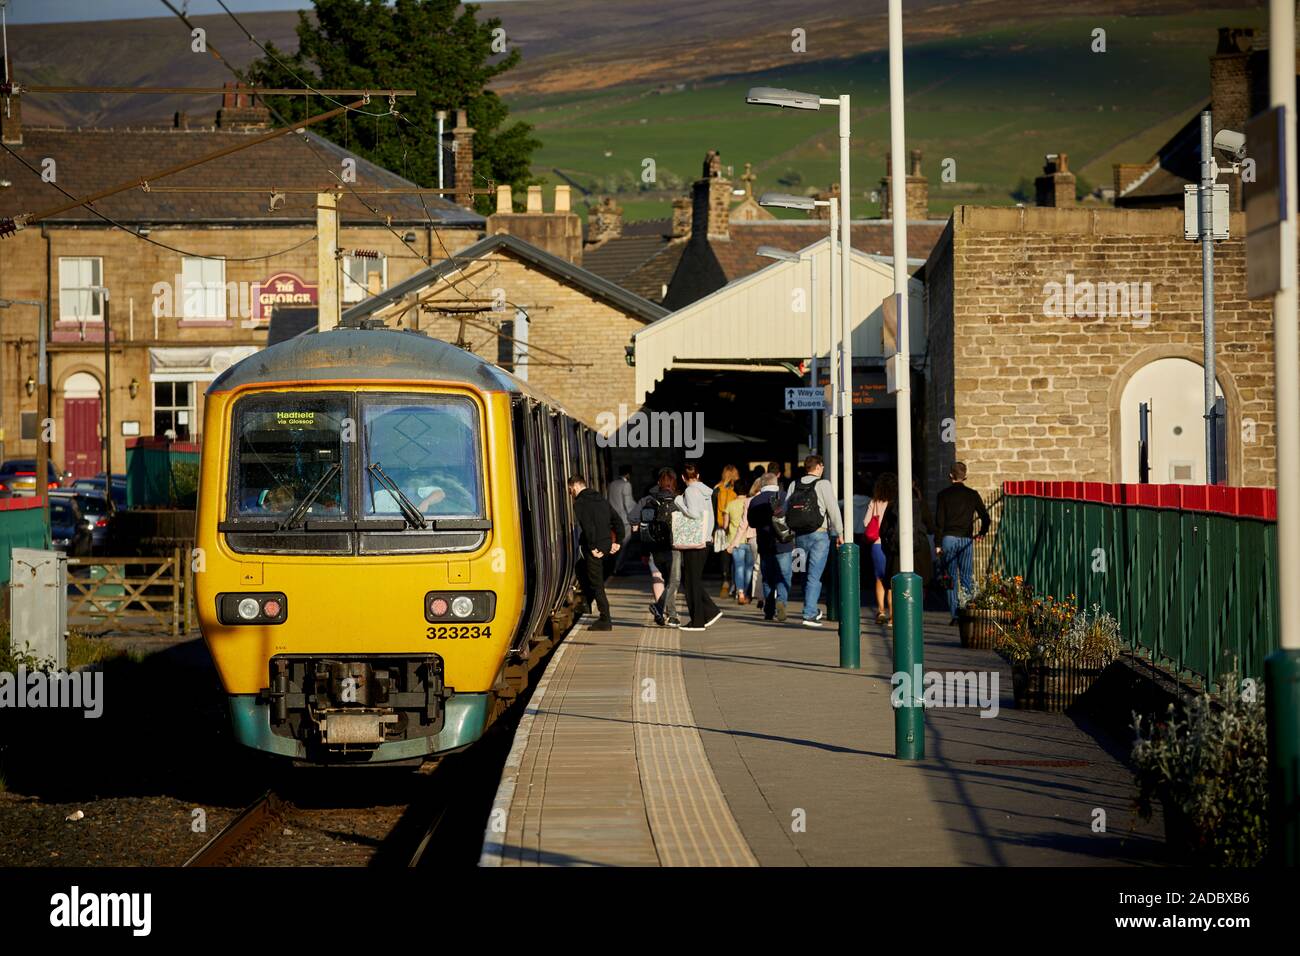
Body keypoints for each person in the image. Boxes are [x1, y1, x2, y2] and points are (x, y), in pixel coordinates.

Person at [784, 454, 843, 628]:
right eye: (822, 467)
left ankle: (810, 608)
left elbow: (786, 509)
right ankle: (809, 614)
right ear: (818, 467)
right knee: (814, 576)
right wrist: (839, 532)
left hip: (799, 537)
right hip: (819, 536)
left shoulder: (794, 484)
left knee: (802, 572)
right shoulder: (823, 484)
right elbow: (833, 509)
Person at [934, 461, 991, 625]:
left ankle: (955, 615)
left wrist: (938, 544)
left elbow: (940, 522)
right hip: (966, 539)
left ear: (950, 475)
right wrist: (981, 533)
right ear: (965, 476)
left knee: (950, 578)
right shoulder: (972, 495)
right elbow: (985, 518)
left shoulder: (943, 495)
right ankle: (968, 610)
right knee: (966, 576)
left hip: (949, 539)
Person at [568, 474, 625, 632]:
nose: (570, 493)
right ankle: (588, 601)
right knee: (580, 568)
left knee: (597, 584)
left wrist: (593, 547)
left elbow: (588, 527)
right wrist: (617, 542)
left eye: (570, 490)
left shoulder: (580, 503)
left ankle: (605, 619)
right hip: (607, 545)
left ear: (575, 486)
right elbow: (618, 521)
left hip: (595, 548)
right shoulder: (600, 499)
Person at [674, 463, 723, 632]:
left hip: (694, 541)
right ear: (698, 475)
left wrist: (679, 502)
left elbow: (694, 513)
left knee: (690, 581)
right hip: (705, 539)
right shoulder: (706, 491)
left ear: (682, 477)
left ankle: (698, 620)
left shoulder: (690, 491)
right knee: (692, 580)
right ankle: (708, 612)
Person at [635, 467, 681, 627]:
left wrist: (645, 552)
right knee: (674, 582)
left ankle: (669, 613)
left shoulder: (650, 502)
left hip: (656, 549)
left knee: (669, 581)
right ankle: (663, 609)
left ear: (659, 483)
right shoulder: (679, 501)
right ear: (674, 483)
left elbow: (644, 529)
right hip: (674, 548)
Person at [747, 472, 795, 622]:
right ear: (776, 482)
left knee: (768, 578)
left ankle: (769, 609)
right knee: (784, 575)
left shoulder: (755, 501)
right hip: (784, 543)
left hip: (764, 543)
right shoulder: (785, 496)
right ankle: (782, 601)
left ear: (762, 484)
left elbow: (752, 523)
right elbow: (793, 518)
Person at [880, 476, 934, 591]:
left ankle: (894, 609)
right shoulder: (921, 504)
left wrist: (888, 548)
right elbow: (931, 527)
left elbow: (883, 530)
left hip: (897, 550)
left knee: (896, 587)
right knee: (920, 585)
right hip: (920, 549)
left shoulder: (892, 505)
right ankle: (918, 608)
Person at [863, 473, 894, 625]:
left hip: (876, 543)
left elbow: (865, 522)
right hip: (890, 543)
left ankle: (881, 610)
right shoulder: (894, 502)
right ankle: (892, 615)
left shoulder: (874, 501)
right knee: (892, 579)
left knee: (880, 578)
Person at [723, 477, 755, 604]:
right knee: (749, 568)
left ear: (735, 490)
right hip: (749, 538)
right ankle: (746, 592)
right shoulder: (751, 503)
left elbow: (725, 525)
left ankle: (740, 592)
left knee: (738, 567)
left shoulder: (730, 504)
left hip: (735, 540)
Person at [712, 465, 741, 597]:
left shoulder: (716, 489)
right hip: (735, 527)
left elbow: (711, 510)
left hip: (720, 526)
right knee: (737, 556)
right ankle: (737, 584)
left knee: (724, 554)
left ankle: (725, 580)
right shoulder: (737, 491)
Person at [606, 466, 638, 574]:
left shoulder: (612, 484)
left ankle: (612, 567)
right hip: (624, 520)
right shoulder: (626, 485)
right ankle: (617, 568)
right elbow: (628, 504)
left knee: (614, 544)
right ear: (628, 474)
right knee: (624, 545)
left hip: (612, 519)